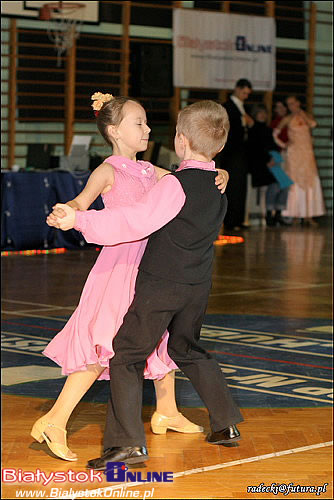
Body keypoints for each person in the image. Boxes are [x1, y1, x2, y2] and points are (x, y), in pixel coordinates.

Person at [31, 93, 229, 462]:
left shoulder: (155, 171)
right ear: (113, 131)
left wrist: (221, 171)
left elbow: (194, 179)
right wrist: (68, 210)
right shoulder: (108, 171)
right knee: (108, 344)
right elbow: (82, 202)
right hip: (120, 268)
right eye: (138, 123)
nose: (147, 128)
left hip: (153, 265)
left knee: (160, 335)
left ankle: (167, 410)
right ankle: (54, 420)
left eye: (147, 122)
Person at [273, 95, 326, 225]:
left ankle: (309, 215)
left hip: (307, 152)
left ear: (298, 103)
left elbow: (313, 124)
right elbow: (275, 134)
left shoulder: (305, 115)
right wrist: (284, 145)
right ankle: (295, 214)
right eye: (289, 104)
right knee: (294, 181)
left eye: (293, 103)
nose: (292, 106)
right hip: (294, 153)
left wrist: (302, 113)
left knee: (310, 179)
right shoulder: (287, 118)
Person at [216, 78, 254, 230]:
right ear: (237, 89)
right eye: (244, 92)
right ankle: (231, 221)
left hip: (242, 152)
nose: (246, 96)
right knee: (232, 186)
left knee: (241, 186)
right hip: (231, 153)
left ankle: (238, 220)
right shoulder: (227, 107)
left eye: (248, 94)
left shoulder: (243, 108)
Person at [247, 104, 290, 227]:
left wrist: (274, 159)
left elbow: (273, 147)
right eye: (260, 113)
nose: (263, 115)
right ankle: (269, 214)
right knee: (275, 185)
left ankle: (278, 213)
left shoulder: (269, 129)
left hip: (271, 163)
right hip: (259, 165)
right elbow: (254, 150)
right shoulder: (253, 129)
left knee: (285, 184)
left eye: (264, 113)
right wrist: (267, 161)